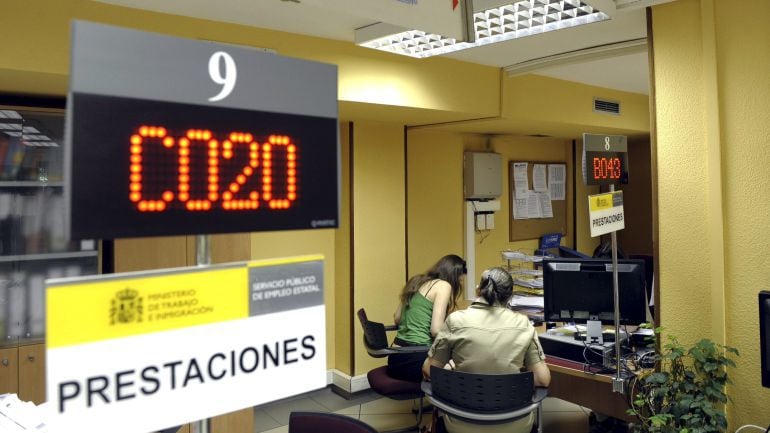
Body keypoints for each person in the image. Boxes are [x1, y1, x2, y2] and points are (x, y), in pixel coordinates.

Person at [422, 267, 551, 433]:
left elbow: (428, 371)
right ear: (510, 296)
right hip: (515, 426)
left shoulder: (455, 321)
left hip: (460, 424)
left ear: (478, 290)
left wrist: (454, 369)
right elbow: (542, 379)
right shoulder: (523, 324)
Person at [387, 254, 466, 383]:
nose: (461, 283)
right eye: (461, 279)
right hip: (417, 361)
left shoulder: (415, 281)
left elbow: (397, 318)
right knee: (465, 356)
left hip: (395, 359)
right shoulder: (443, 286)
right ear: (454, 275)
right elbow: (435, 330)